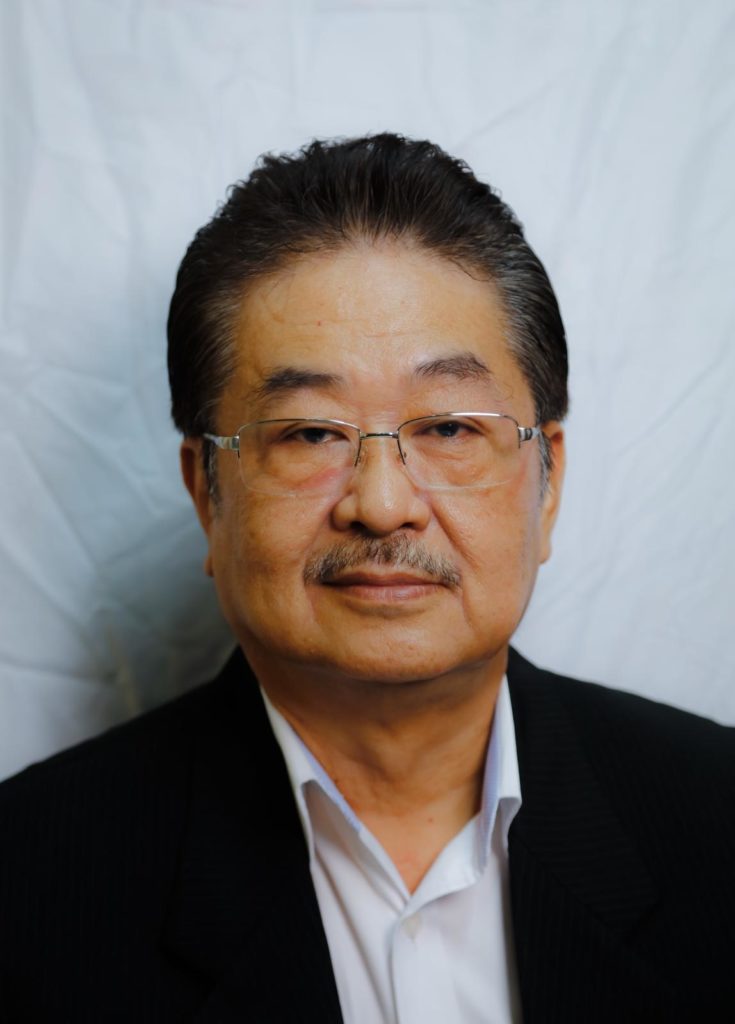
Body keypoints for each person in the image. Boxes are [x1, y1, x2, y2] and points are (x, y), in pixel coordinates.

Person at [0, 134, 733, 1024]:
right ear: (206, 492)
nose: (382, 506)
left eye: (449, 429)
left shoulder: (713, 818)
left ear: (547, 485)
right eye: (310, 433)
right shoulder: (29, 885)